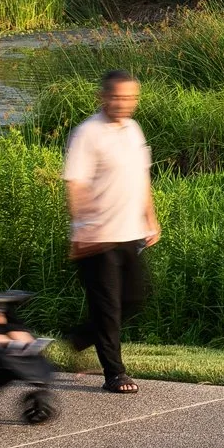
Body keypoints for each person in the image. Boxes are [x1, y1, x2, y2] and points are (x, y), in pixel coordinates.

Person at [63, 70, 158, 394]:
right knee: (108, 308)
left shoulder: (133, 129)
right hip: (97, 238)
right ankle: (114, 374)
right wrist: (84, 226)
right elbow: (75, 184)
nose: (124, 103)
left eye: (130, 97)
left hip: (129, 231)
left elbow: (141, 177)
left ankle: (79, 338)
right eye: (118, 97)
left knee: (134, 298)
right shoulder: (87, 133)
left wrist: (151, 218)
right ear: (103, 97)